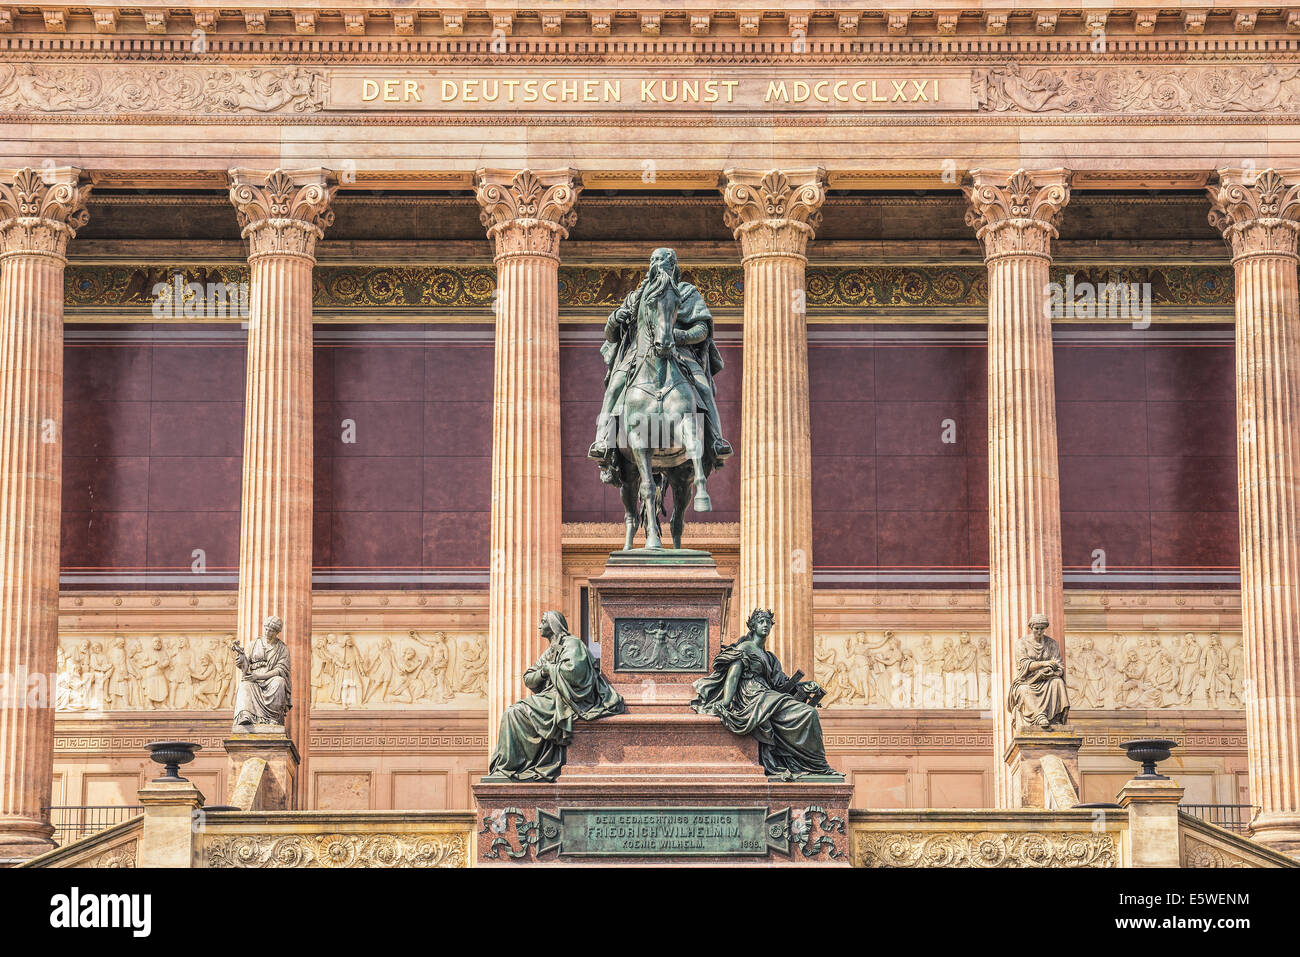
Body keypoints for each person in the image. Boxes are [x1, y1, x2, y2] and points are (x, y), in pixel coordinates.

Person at [588, 247, 732, 471]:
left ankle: (716, 441)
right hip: (638, 355)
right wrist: (616, 318)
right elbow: (611, 335)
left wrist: (681, 336)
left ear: (672, 265)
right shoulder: (637, 296)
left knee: (703, 388)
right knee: (615, 386)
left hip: (680, 353)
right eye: (653, 259)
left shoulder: (686, 292)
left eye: (662, 259)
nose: (657, 263)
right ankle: (603, 441)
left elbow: (703, 329)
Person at [691, 608, 838, 779]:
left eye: (768, 622)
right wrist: (726, 701)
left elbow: (782, 684)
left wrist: (805, 685)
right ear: (752, 626)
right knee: (808, 713)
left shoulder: (770, 657)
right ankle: (817, 765)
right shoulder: (745, 647)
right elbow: (734, 674)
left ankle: (814, 765)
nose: (765, 625)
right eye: (761, 622)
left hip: (767, 695)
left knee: (808, 713)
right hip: (752, 695)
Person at [487, 611, 625, 781]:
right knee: (513, 712)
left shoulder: (572, 644)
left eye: (542, 622)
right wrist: (545, 671)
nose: (539, 626)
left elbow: (575, 672)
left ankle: (514, 765)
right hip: (552, 696)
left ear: (553, 625)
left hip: (567, 698)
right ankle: (514, 766)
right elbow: (528, 678)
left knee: (514, 713)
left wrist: (548, 669)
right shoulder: (551, 650)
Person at [1007, 614, 1070, 730]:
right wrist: (1044, 664)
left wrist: (1052, 672)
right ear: (1031, 627)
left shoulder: (1052, 644)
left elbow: (1059, 665)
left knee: (1058, 683)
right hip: (1027, 681)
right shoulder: (1021, 643)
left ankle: (1056, 718)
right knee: (1022, 690)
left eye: (1042, 628)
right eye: (1036, 628)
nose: (1039, 631)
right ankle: (1040, 716)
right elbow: (1024, 664)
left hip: (1047, 680)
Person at [232, 615, 292, 730]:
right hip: (253, 679)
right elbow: (246, 664)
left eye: (271, 630)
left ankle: (273, 718)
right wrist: (241, 660)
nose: (267, 632)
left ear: (277, 632)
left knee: (279, 682)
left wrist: (259, 676)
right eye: (266, 629)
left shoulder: (282, 648)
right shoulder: (253, 644)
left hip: (270, 678)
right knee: (245, 686)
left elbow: (280, 670)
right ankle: (246, 715)